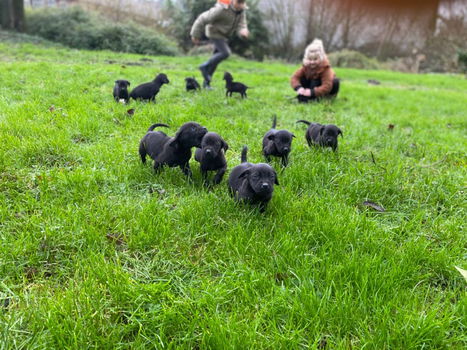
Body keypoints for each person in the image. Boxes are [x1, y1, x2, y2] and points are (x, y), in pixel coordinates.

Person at [190, 0, 249, 89]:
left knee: (215, 61)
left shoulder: (241, 11)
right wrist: (195, 35)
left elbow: (241, 24)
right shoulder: (221, 9)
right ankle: (204, 66)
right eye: (239, 2)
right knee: (226, 53)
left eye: (243, 3)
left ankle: (206, 84)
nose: (241, 5)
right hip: (214, 33)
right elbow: (202, 18)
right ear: (232, 1)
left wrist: (243, 30)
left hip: (224, 35)